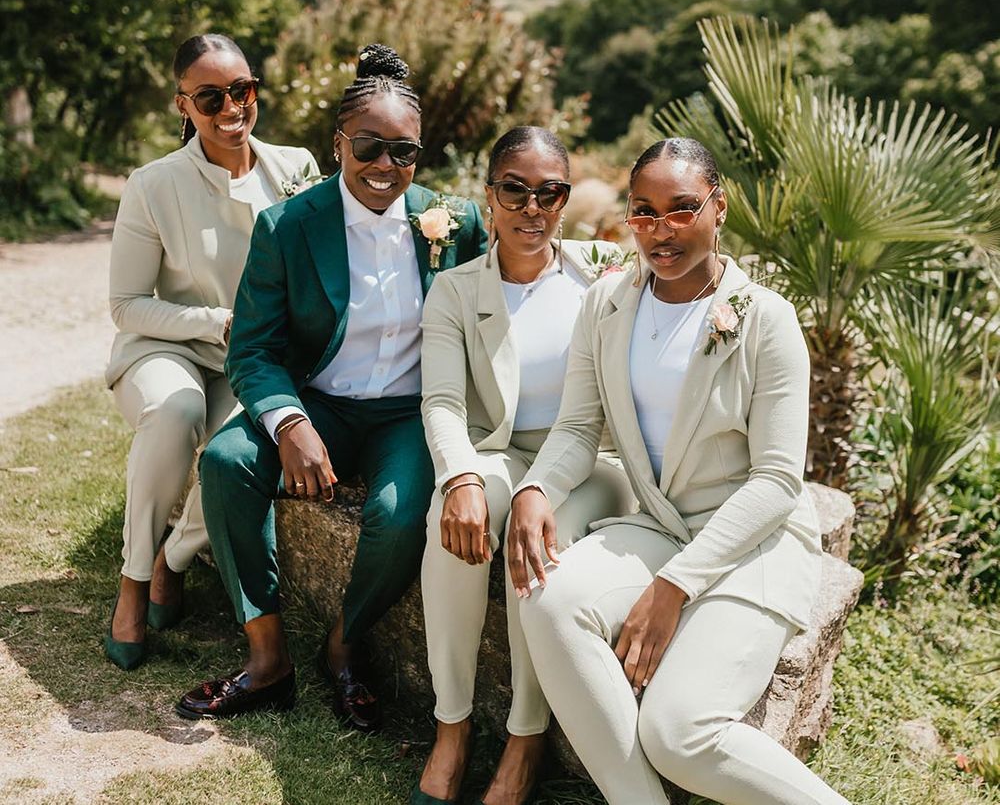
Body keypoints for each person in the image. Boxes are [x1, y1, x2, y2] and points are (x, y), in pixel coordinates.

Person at [507, 138, 848, 804]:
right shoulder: (604, 307)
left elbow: (778, 481)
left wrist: (675, 587)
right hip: (661, 523)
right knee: (546, 598)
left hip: (754, 542)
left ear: (718, 208)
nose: (661, 231)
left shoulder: (767, 322)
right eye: (643, 213)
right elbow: (579, 427)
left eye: (682, 209)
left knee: (678, 733)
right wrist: (534, 489)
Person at [177, 44, 488, 729]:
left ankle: (342, 646)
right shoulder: (288, 226)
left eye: (403, 153)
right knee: (226, 464)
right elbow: (253, 350)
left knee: (402, 513)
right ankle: (267, 659)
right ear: (339, 143)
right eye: (369, 148)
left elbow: (516, 282)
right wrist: (288, 423)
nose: (385, 167)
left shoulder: (453, 224)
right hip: (317, 399)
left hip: (408, 412)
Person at [413, 127, 636, 805]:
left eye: (550, 192)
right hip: (501, 449)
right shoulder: (455, 290)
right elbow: (444, 401)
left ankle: (524, 739)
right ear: (489, 195)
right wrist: (460, 479)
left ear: (566, 200)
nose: (532, 207)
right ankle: (451, 727)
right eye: (515, 189)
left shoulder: (602, 271)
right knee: (451, 526)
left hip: (592, 460)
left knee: (537, 542)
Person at [103, 33, 320, 670]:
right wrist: (216, 321)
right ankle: (135, 581)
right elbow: (126, 304)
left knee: (237, 448)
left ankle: (175, 557)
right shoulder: (152, 185)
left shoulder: (296, 168)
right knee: (174, 412)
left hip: (252, 363)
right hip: (165, 346)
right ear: (184, 105)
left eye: (243, 90)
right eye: (211, 96)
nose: (232, 106)